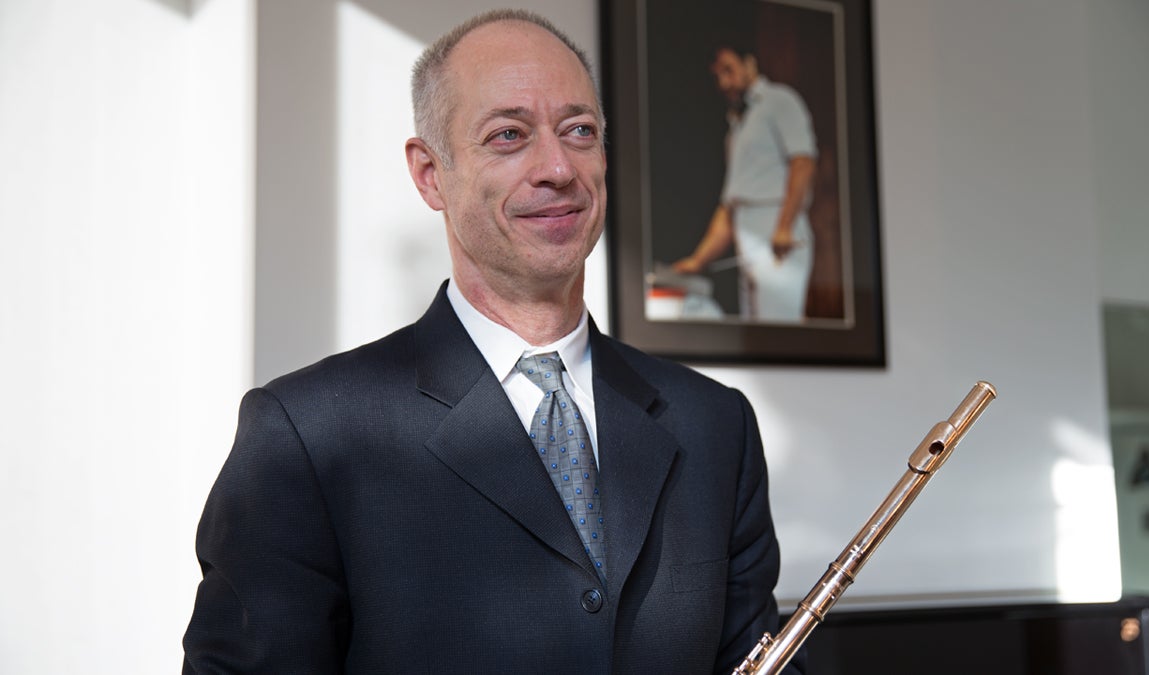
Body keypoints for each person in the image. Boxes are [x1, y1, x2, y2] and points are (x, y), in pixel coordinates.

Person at [182, 10, 803, 674]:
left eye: (580, 131)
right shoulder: (307, 434)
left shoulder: (715, 424)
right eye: (509, 135)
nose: (558, 167)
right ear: (430, 174)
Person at [672, 43, 818, 323]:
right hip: (747, 245)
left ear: (750, 64)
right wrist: (698, 260)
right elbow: (730, 204)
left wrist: (784, 227)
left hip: (777, 239)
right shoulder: (737, 127)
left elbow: (803, 162)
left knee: (778, 336)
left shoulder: (779, 100)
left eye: (729, 70)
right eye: (718, 76)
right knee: (756, 335)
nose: (725, 82)